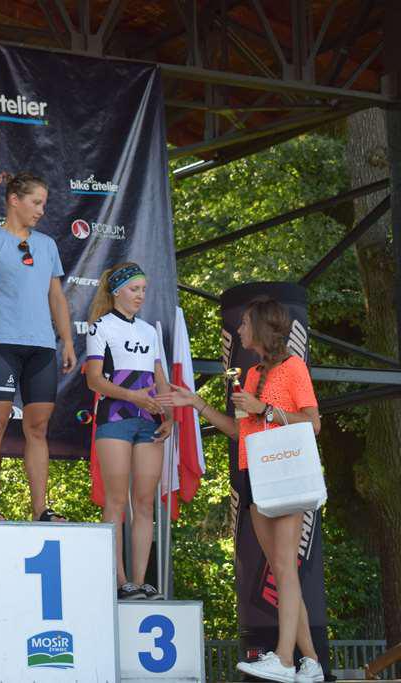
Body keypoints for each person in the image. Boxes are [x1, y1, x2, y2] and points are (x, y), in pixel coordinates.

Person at [158, 296, 323, 683]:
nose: (240, 329)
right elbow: (238, 432)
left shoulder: (293, 367)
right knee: (281, 570)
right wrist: (195, 402)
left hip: (285, 472)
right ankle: (312, 663)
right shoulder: (252, 374)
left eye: (245, 323)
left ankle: (285, 659)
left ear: (262, 326)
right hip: (254, 475)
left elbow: (313, 423)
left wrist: (264, 409)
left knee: (285, 568)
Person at [0, 172, 77, 523]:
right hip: (1, 344)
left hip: (42, 347)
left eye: (44, 203)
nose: (41, 210)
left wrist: (67, 340)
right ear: (14, 200)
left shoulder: (47, 245)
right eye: (36, 202)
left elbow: (56, 296)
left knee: (38, 428)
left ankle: (41, 508)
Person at [84, 263, 172, 601]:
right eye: (135, 289)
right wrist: (133, 397)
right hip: (116, 416)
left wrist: (169, 415)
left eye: (144, 290)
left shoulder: (150, 331)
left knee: (145, 502)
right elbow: (94, 380)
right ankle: (120, 580)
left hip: (149, 419)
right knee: (116, 500)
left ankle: (140, 579)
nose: (140, 296)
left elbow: (160, 377)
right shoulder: (100, 327)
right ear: (117, 291)